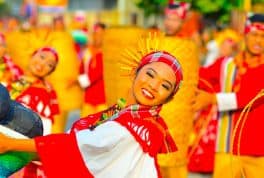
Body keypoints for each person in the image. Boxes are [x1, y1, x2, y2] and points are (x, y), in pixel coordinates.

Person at [0, 43, 183, 178]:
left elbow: (75, 146)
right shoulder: (121, 111)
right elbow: (85, 135)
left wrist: (12, 144)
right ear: (136, 72)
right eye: (150, 74)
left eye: (165, 86)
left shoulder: (136, 129)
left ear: (169, 97)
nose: (153, 85)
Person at [192, 12, 264, 178]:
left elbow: (250, 97)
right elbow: (199, 77)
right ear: (245, 34)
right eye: (254, 35)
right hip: (226, 148)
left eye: (263, 36)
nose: (259, 41)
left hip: (260, 152)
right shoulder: (227, 64)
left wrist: (212, 99)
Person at [7, 47, 60, 178]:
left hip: (20, 155)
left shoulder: (45, 93)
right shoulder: (14, 80)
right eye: (42, 57)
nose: (42, 64)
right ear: (32, 55)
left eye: (49, 65)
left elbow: (46, 129)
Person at [78, 22, 107, 117]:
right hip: (88, 98)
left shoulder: (107, 52)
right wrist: (81, 82)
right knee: (84, 127)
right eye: (95, 33)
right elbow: (81, 69)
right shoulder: (88, 51)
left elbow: (97, 72)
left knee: (102, 127)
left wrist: (77, 82)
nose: (97, 37)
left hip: (103, 99)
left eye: (100, 34)